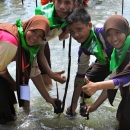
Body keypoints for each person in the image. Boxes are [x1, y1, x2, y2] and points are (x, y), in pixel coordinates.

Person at [0, 15, 66, 124]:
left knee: (10, 116)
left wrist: (48, 98)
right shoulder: (12, 41)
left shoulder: (29, 48)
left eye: (40, 36)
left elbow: (32, 74)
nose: (35, 38)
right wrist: (13, 83)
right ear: (27, 27)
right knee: (5, 115)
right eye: (34, 31)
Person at [82, 14, 130, 130]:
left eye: (118, 32)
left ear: (126, 30)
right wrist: (94, 106)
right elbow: (112, 83)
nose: (113, 39)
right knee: (121, 118)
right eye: (109, 34)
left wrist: (96, 86)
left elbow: (126, 78)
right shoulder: (116, 53)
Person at [65, 7, 114, 115]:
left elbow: (116, 78)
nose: (76, 35)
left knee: (121, 87)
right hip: (105, 58)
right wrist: (73, 104)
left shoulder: (104, 33)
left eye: (79, 29)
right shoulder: (83, 48)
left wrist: (94, 106)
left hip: (123, 58)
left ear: (89, 25)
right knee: (84, 89)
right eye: (72, 32)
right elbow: (80, 77)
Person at [35, 0, 75, 87]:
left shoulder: (71, 16)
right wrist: (51, 74)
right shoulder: (45, 19)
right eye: (59, 1)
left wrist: (67, 30)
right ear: (53, 1)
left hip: (43, 42)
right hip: (30, 46)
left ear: (73, 4)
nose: (62, 7)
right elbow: (39, 52)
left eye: (67, 3)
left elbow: (61, 37)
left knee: (47, 82)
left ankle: (48, 95)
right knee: (26, 79)